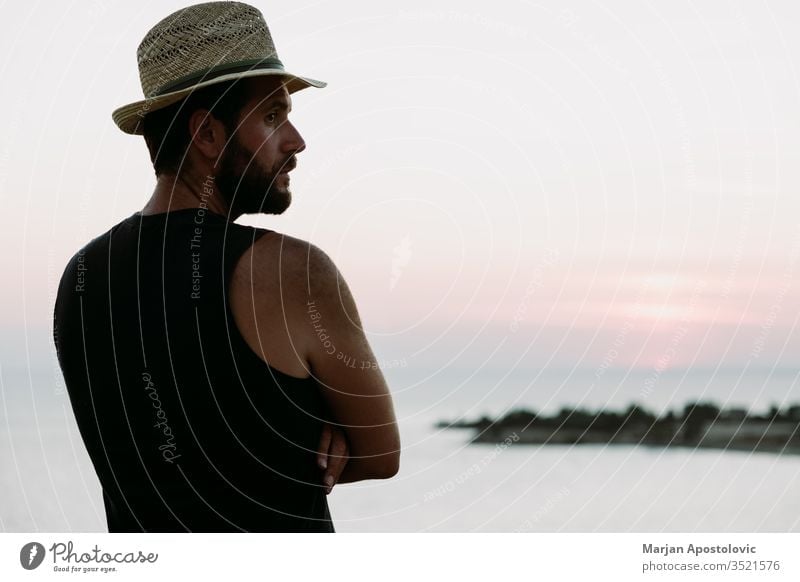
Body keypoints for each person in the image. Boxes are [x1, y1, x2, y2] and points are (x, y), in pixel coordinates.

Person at [52, 1, 400, 532]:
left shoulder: (79, 278)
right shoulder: (293, 270)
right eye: (272, 116)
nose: (297, 141)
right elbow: (380, 455)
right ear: (207, 134)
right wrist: (321, 431)